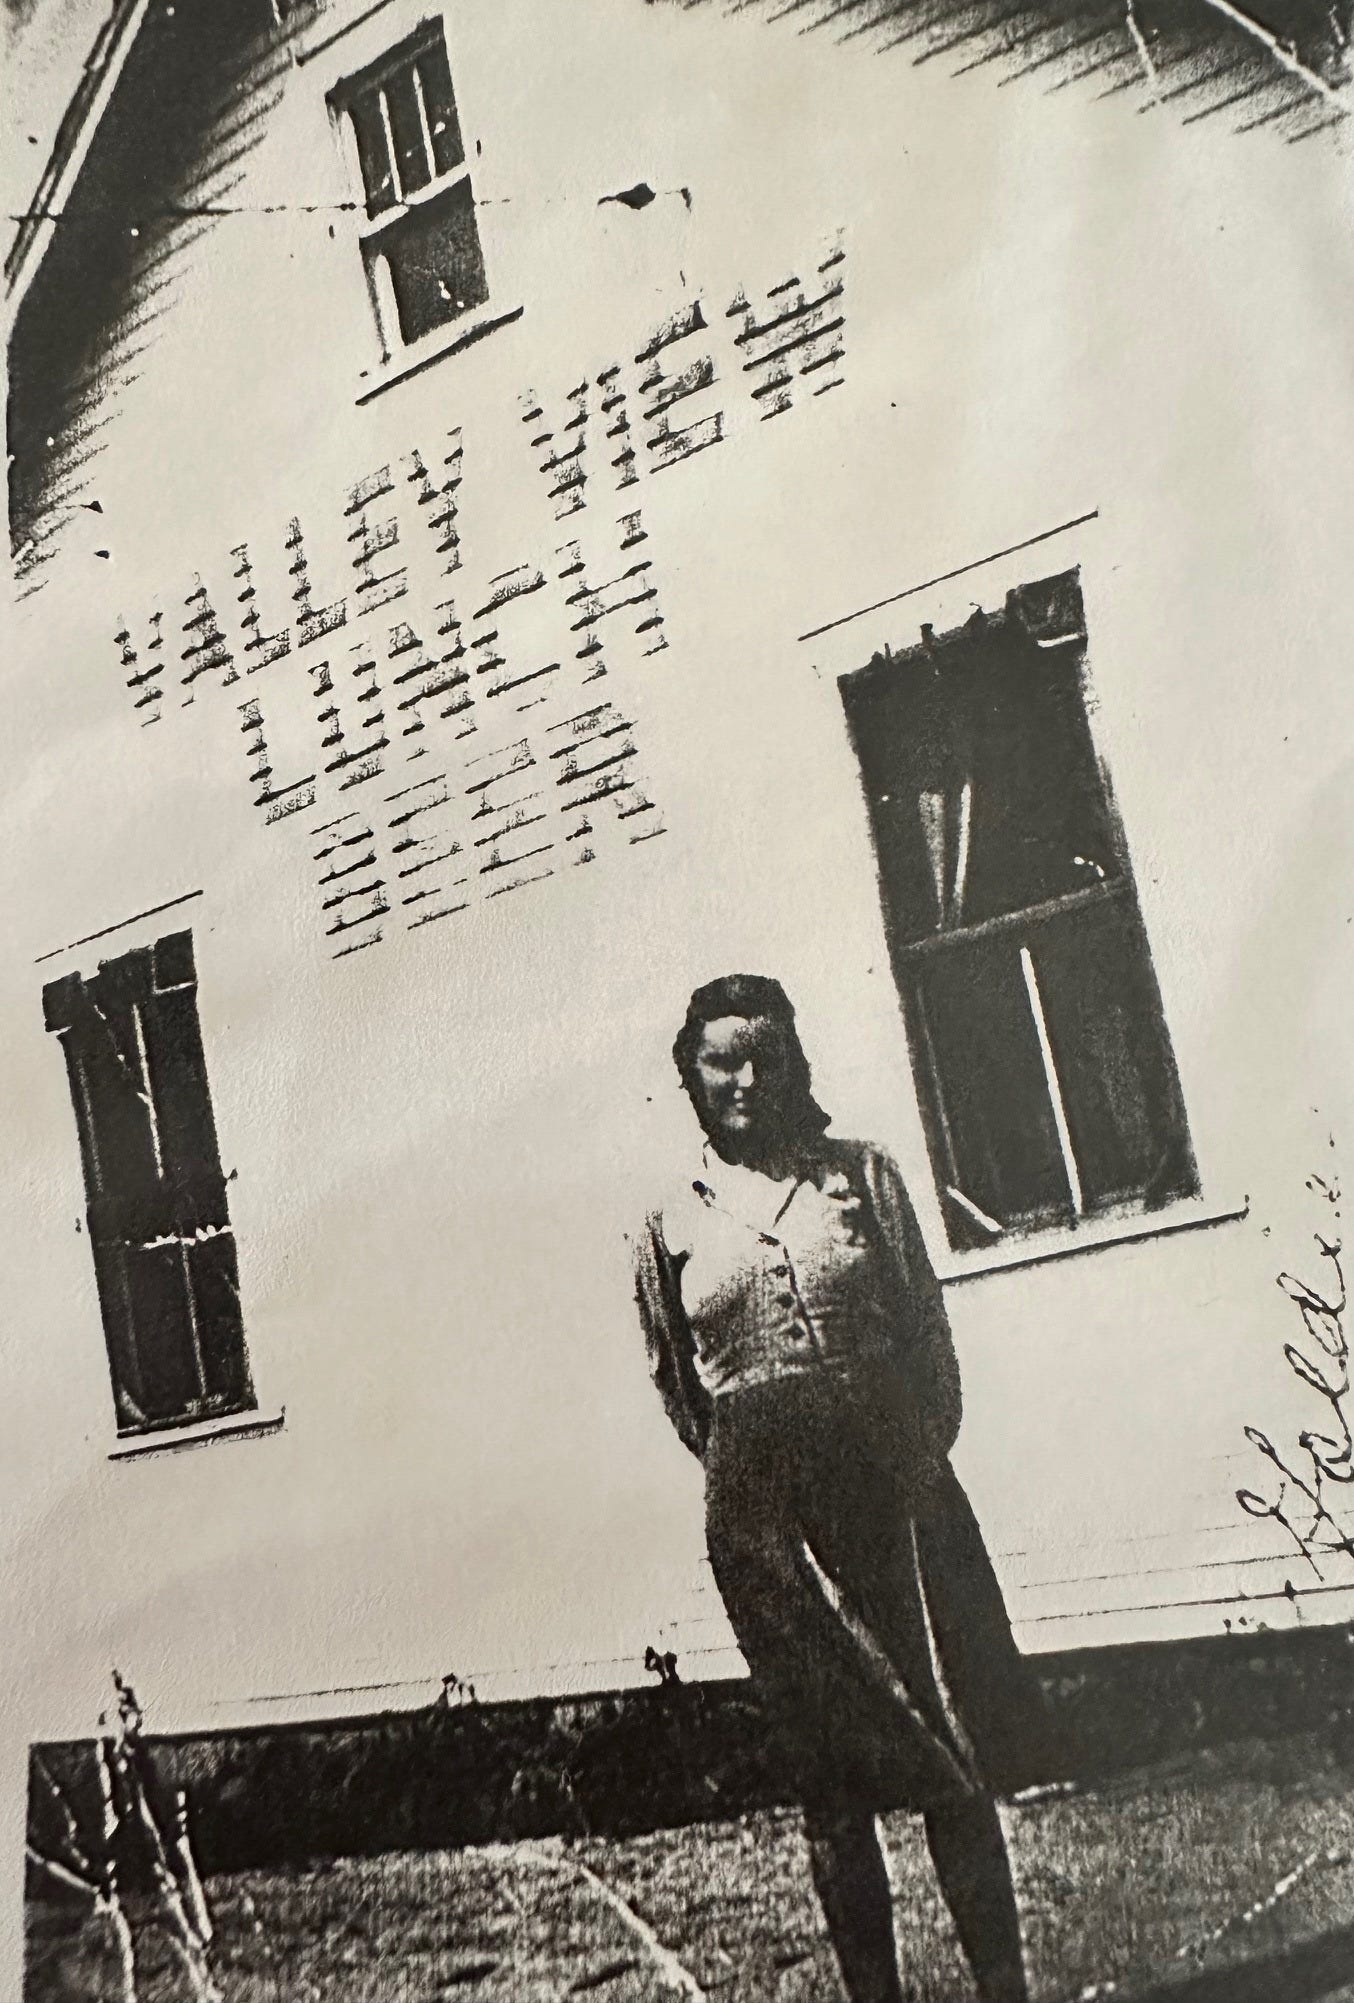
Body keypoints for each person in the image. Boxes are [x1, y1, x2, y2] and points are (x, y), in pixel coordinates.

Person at [633, 974, 1060, 2003]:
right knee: (828, 1772)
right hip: (763, 1523)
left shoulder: (860, 1176)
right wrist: (759, 1474)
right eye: (722, 1058)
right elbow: (683, 1392)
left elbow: (928, 1342)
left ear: (795, 1063)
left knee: (945, 1740)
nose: (745, 1077)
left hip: (892, 1485)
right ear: (689, 1075)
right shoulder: (667, 1217)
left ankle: (1002, 1981)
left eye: (766, 1055)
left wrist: (895, 1457)